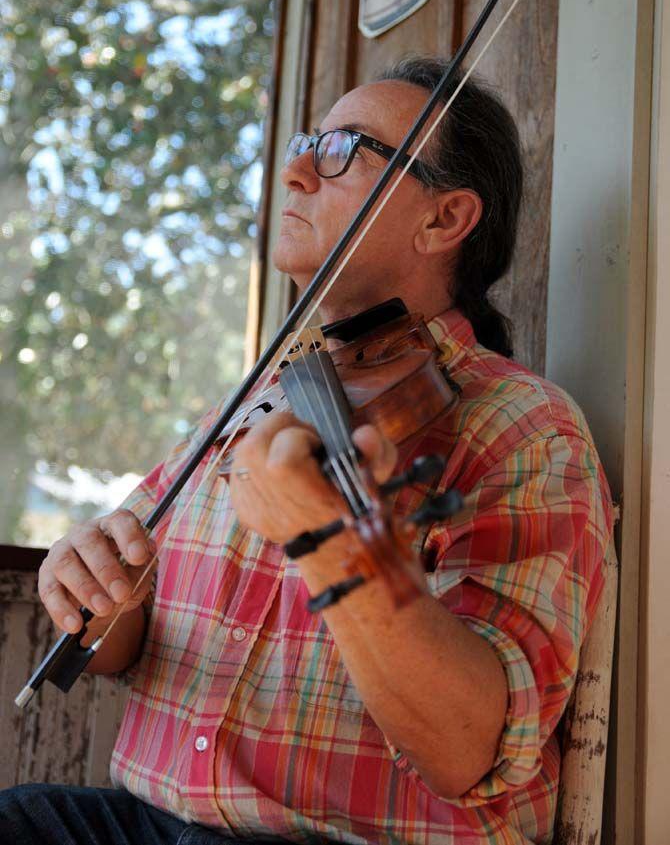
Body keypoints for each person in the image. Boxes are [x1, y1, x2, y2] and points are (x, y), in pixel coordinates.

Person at [0, 56, 613, 845]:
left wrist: (333, 544)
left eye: (340, 151)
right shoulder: (253, 398)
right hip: (147, 819)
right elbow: (123, 632)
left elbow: (473, 748)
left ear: (443, 219)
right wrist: (81, 578)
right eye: (305, 141)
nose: (293, 169)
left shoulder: (524, 428)